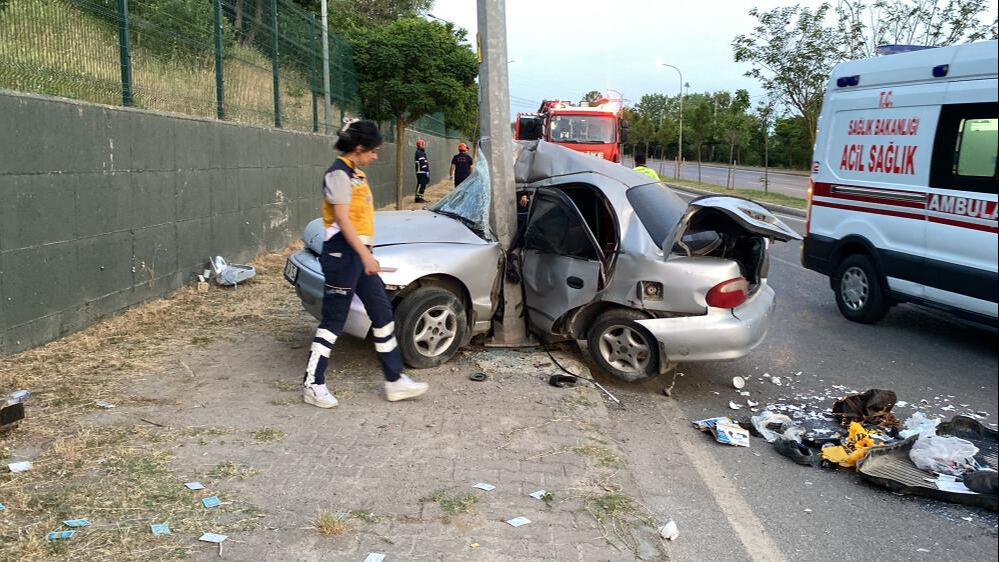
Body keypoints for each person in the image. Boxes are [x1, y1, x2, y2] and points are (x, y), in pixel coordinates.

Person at [302, 120, 429, 408]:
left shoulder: (355, 173)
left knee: (382, 313)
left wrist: (366, 255)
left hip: (358, 257)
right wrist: (365, 255)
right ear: (359, 149)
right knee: (333, 321)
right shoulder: (337, 174)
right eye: (373, 151)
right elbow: (343, 220)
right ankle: (313, 383)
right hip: (342, 256)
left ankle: (395, 380)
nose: (376, 156)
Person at [414, 138, 430, 203]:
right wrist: (425, 170)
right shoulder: (419, 153)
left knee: (423, 184)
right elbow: (422, 162)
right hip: (421, 171)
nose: (424, 146)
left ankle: (420, 197)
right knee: (420, 184)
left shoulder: (421, 152)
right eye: (423, 144)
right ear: (420, 145)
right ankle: (417, 199)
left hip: (423, 171)